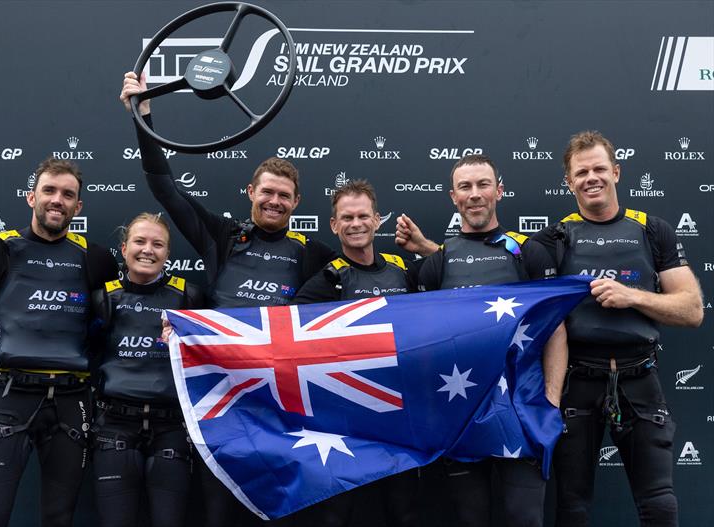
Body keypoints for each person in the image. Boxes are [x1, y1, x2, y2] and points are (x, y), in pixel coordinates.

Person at [120, 71, 337, 527]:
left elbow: (366, 287)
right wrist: (143, 118)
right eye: (267, 192)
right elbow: (166, 188)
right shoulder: (222, 236)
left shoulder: (313, 254)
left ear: (297, 202)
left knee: (278, 512)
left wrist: (431, 254)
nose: (274, 201)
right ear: (250, 193)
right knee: (218, 514)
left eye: (284, 196)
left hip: (280, 408)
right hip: (219, 406)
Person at [530, 131, 703, 527]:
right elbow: (494, 270)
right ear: (568, 181)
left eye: (599, 169)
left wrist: (634, 297)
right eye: (581, 172)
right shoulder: (555, 238)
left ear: (616, 172)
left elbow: (692, 310)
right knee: (571, 508)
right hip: (578, 381)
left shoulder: (652, 230)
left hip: (640, 378)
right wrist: (431, 253)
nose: (591, 178)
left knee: (659, 504)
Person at [395, 154, 567, 527]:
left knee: (524, 519)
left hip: (522, 412)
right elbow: (423, 342)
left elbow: (554, 329)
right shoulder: (435, 263)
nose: (475, 194)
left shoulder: (529, 252)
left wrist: (551, 400)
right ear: (453, 197)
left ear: (499, 191)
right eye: (465, 187)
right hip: (462, 413)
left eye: (483, 185)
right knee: (470, 520)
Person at [0, 158, 119, 527]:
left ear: (79, 206)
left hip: (73, 403)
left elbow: (117, 329)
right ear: (32, 198)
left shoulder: (97, 259)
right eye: (49, 191)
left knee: (59, 518)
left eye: (68, 194)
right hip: (10, 399)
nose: (57, 200)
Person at [292, 179, 418, 527]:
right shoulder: (327, 280)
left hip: (398, 414)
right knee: (337, 515)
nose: (356, 224)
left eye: (363, 216)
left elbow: (453, 300)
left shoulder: (404, 271)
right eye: (346, 218)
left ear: (378, 220)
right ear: (334, 225)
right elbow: (284, 331)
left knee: (403, 512)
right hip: (345, 416)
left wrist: (425, 247)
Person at [91, 212, 203, 527]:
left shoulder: (189, 296)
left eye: (158, 244)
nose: (147, 250)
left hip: (171, 427)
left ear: (168, 254)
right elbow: (89, 351)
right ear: (124, 248)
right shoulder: (104, 297)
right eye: (139, 241)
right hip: (114, 423)